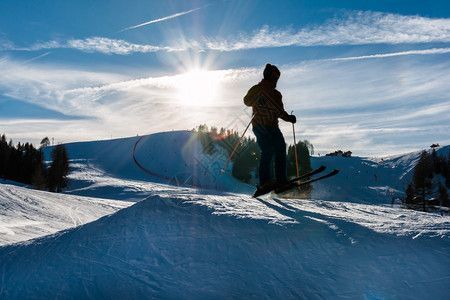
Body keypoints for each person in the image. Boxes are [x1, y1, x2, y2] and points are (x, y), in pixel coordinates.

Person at [244, 63, 296, 192]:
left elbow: (280, 111)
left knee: (280, 150)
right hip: (260, 125)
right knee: (268, 150)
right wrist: (257, 99)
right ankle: (265, 182)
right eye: (273, 75)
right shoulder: (257, 88)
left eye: (277, 76)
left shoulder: (277, 94)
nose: (276, 78)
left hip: (273, 126)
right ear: (267, 74)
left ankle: (281, 181)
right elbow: (246, 100)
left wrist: (289, 118)